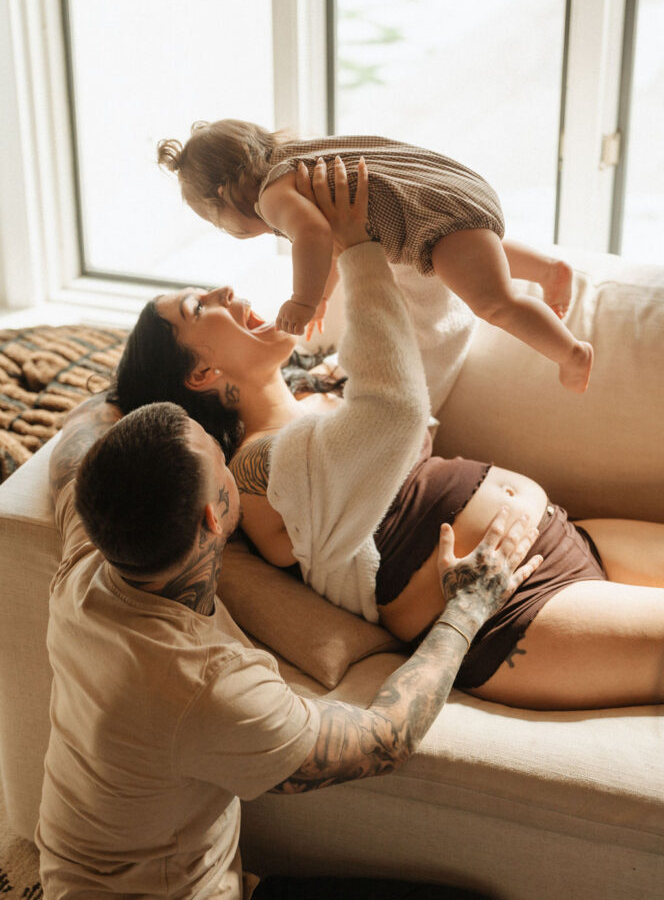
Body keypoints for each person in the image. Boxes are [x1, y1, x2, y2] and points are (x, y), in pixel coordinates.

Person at [35, 205, 543, 898]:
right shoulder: (208, 685)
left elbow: (80, 436)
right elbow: (384, 740)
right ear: (215, 516)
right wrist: (468, 608)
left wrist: (138, 388)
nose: (226, 451)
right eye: (217, 456)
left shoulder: (88, 561)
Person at [114, 157, 664, 713]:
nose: (224, 289)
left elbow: (434, 330)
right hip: (513, 616)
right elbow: (395, 410)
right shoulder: (255, 470)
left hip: (564, 535)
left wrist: (380, 219)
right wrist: (355, 251)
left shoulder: (326, 385)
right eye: (198, 307)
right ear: (202, 374)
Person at [156, 119, 593, 392]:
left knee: (495, 303)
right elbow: (326, 244)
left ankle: (571, 353)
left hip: (428, 215)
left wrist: (302, 300)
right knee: (463, 251)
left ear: (223, 195)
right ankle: (548, 270)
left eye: (219, 223)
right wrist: (323, 296)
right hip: (445, 196)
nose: (228, 231)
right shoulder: (296, 160)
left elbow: (312, 235)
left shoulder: (272, 196)